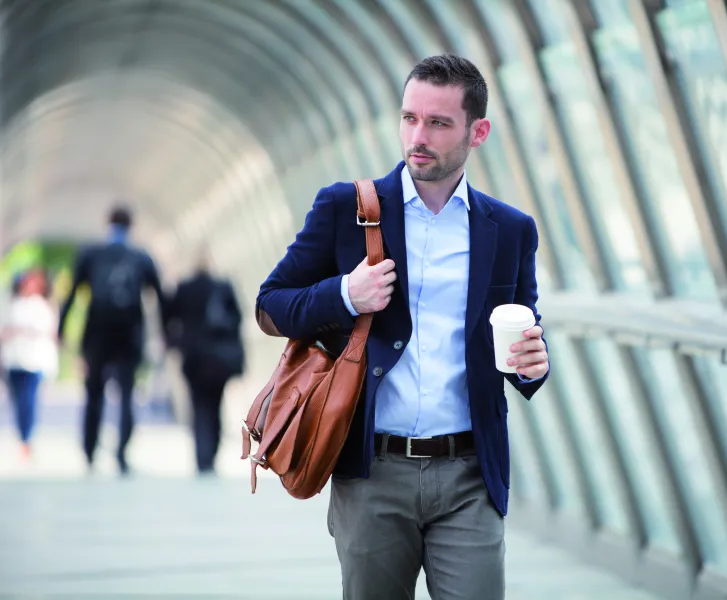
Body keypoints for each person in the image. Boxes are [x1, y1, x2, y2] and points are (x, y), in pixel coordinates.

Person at [256, 54, 550, 600]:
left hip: (469, 475)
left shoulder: (509, 230)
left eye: (438, 123)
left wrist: (536, 362)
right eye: (409, 118)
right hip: (372, 470)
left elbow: (526, 335)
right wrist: (346, 293)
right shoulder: (347, 207)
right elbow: (270, 306)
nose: (418, 135)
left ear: (476, 131)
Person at [58, 206, 167, 475]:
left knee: (94, 393)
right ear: (132, 226)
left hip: (97, 333)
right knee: (127, 395)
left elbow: (72, 293)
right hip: (129, 333)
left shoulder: (91, 254)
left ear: (108, 224)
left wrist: (61, 329)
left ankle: (89, 451)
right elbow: (160, 297)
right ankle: (121, 454)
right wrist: (165, 333)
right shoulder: (140, 257)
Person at [165, 252, 244, 475]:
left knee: (198, 405)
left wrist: (174, 342)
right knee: (216, 404)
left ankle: (203, 455)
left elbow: (168, 316)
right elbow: (237, 318)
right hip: (219, 358)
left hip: (193, 357)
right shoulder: (223, 287)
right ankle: (211, 453)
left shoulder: (184, 288)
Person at [1, 269, 59, 461]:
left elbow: (49, 335)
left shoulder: (43, 307)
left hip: (34, 362)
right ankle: (22, 435)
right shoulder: (11, 305)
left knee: (29, 401)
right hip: (14, 360)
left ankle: (26, 438)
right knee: (18, 401)